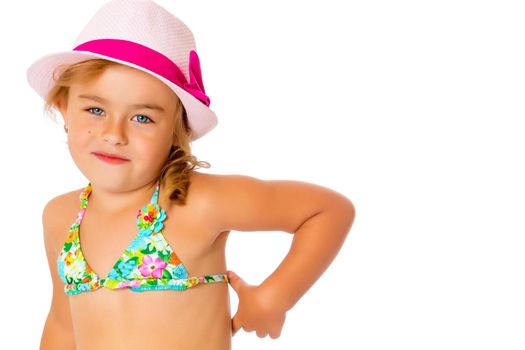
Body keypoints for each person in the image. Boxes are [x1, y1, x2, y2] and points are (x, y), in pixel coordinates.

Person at [28, 0, 356, 349]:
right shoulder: (60, 216)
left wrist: (274, 297)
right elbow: (64, 324)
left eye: (142, 118)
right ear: (64, 106)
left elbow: (327, 210)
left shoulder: (195, 201)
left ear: (177, 129)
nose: (114, 134)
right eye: (95, 109)